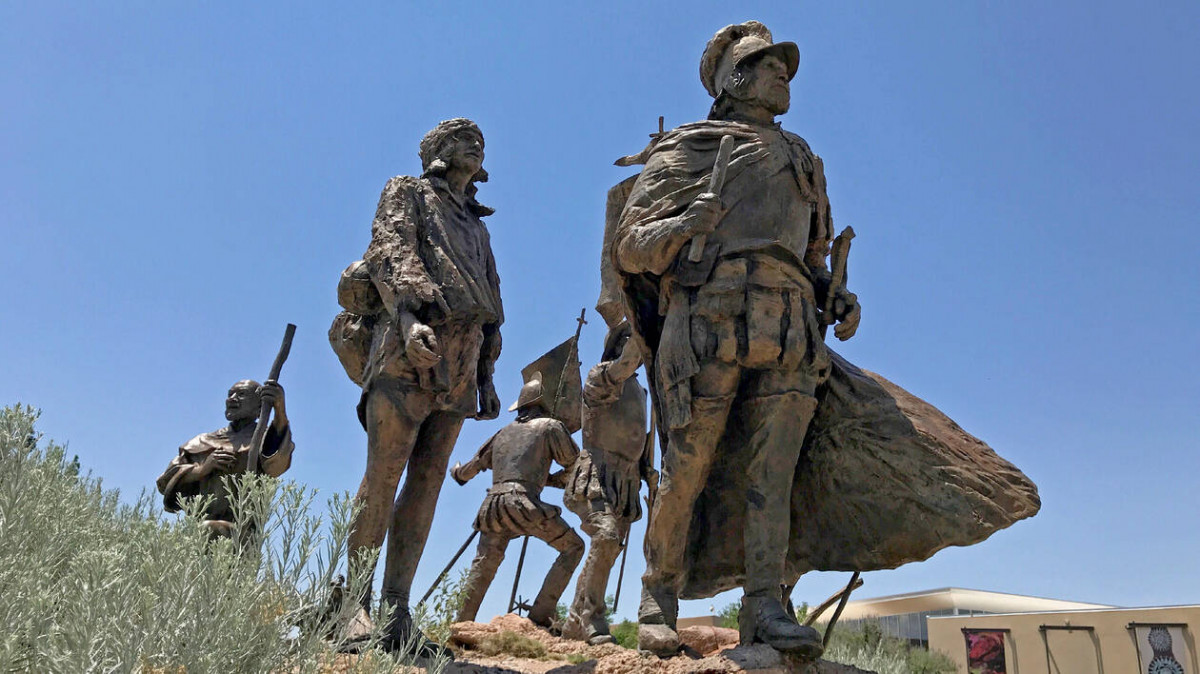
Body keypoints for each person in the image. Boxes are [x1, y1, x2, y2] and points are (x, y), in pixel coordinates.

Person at [611, 21, 859, 657]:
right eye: (770, 65)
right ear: (734, 78)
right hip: (709, 319)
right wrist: (685, 223)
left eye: (785, 68)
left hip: (792, 327)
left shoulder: (804, 158)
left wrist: (835, 292)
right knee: (687, 466)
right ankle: (658, 594)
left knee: (773, 476)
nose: (784, 75)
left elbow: (811, 254)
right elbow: (631, 246)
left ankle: (764, 606)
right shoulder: (689, 147)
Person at [332, 118, 504, 654]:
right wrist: (408, 320)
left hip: (463, 357)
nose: (475, 146)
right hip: (409, 346)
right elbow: (390, 251)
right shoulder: (407, 190)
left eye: (479, 141)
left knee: (427, 482)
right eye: (462, 138)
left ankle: (396, 610)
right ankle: (353, 605)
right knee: (384, 472)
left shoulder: (478, 227)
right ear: (436, 150)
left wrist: (486, 371)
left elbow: (491, 298)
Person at [451, 370, 585, 629]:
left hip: (493, 507)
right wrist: (553, 480)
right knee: (573, 547)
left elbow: (467, 471)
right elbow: (574, 464)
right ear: (542, 404)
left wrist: (456, 471)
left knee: (484, 564)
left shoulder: (501, 433)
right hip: (525, 504)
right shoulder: (550, 426)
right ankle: (539, 617)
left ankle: (461, 623)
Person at [561, 322, 655, 645]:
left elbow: (637, 435)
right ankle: (593, 619)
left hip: (627, 479)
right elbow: (625, 364)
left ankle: (574, 622)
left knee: (607, 551)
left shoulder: (641, 391)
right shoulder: (600, 376)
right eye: (629, 339)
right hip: (598, 473)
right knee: (605, 536)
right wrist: (644, 327)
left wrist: (647, 469)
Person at [157, 379, 294, 538]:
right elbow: (164, 482)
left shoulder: (265, 439)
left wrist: (280, 411)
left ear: (259, 406)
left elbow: (276, 466)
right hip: (198, 529)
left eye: (241, 394)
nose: (232, 399)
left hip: (241, 532)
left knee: (209, 529)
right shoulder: (202, 441)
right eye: (230, 394)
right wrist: (201, 470)